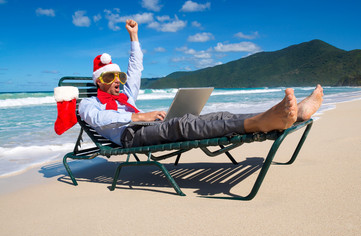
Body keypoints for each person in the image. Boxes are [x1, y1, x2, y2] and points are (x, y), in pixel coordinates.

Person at [79, 19, 324, 148]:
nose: (118, 82)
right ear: (98, 81)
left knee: (217, 115)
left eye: (118, 77)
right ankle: (261, 122)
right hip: (130, 137)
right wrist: (140, 117)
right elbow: (100, 120)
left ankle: (295, 114)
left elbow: (135, 68)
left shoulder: (126, 96)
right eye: (110, 77)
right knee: (182, 127)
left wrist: (134, 37)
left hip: (146, 126)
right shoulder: (88, 105)